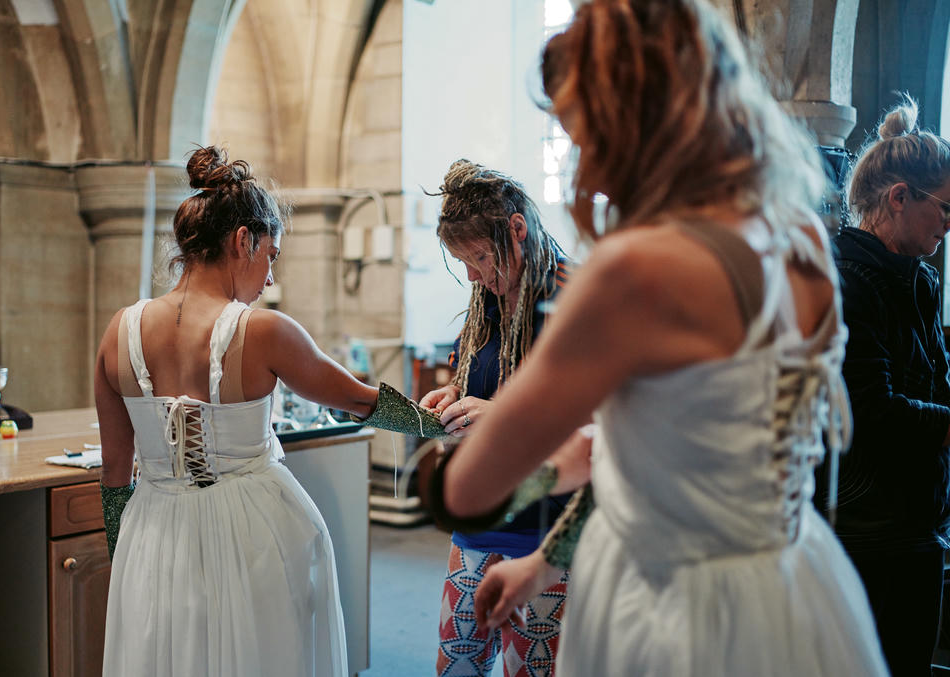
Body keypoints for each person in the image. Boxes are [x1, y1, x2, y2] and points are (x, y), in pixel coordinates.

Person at [432, 1, 890, 675]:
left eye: (585, 136)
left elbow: (469, 490)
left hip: (671, 608)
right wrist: (542, 562)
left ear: (634, 122)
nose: (584, 167)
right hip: (790, 586)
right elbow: (645, 451)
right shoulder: (803, 241)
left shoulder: (633, 272)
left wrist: (446, 477)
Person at [95, 146, 444, 676]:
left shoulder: (118, 331)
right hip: (250, 534)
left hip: (152, 533)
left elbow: (115, 472)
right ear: (243, 240)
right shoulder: (264, 330)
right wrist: (434, 421)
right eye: (271, 256)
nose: (270, 279)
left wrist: (128, 559)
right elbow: (354, 398)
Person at [418, 158, 574, 677]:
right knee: (457, 663)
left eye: (481, 256)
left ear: (517, 230)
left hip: (544, 528)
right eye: (462, 261)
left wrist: (498, 417)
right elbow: (481, 381)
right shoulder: (486, 299)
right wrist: (453, 397)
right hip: (479, 524)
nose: (473, 274)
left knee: (529, 668)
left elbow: (589, 424)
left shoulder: (572, 297)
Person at [826, 96, 950, 676]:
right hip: (863, 532)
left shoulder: (919, 280)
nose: (948, 226)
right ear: (900, 197)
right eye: (945, 210)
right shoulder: (844, 282)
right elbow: (871, 414)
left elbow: (939, 385)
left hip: (918, 525)